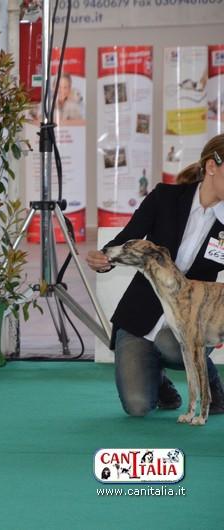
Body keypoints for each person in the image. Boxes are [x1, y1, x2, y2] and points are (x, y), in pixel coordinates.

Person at [86, 134, 224, 418]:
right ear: (212, 167)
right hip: (141, 313)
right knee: (136, 406)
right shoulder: (164, 197)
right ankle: (159, 382)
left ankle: (212, 387)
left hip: (194, 319)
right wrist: (104, 260)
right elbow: (128, 239)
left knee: (172, 344)